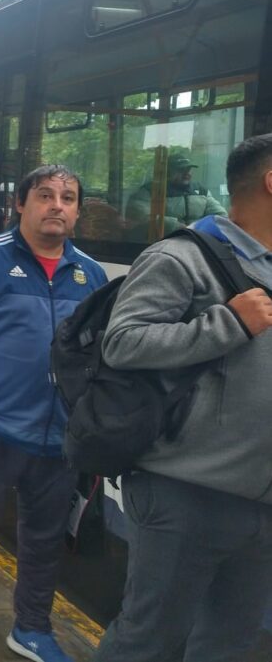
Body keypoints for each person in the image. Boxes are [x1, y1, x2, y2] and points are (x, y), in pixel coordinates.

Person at [91, 135, 272, 662]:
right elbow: (122, 342)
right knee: (148, 641)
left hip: (262, 503)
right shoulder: (180, 256)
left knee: (228, 645)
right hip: (186, 492)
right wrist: (229, 322)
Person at [0, 165, 107, 660]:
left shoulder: (88, 274)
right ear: (21, 205)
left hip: (58, 438)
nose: (57, 205)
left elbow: (96, 354)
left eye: (68, 197)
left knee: (45, 539)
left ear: (76, 210)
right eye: (46, 195)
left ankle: (30, 626)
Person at [126, 152, 227, 234]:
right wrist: (177, 226)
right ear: (168, 172)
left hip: (198, 240)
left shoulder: (200, 190)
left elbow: (220, 215)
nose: (187, 173)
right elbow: (142, 217)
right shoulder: (150, 191)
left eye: (189, 169)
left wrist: (202, 229)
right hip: (164, 242)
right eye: (181, 170)